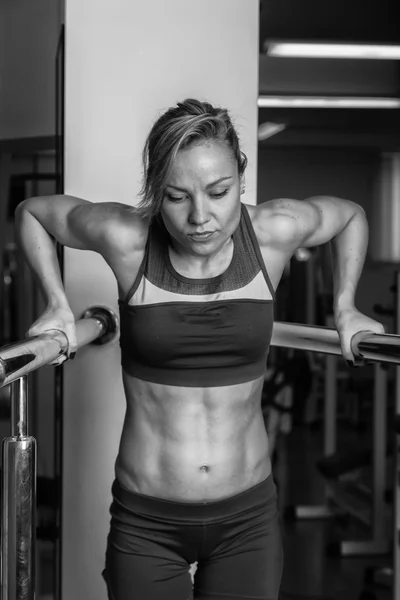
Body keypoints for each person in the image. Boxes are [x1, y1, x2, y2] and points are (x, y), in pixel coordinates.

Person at [15, 98, 384, 600]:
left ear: (241, 180)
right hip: (148, 523)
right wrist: (57, 304)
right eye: (176, 196)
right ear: (154, 194)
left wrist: (345, 308)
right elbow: (33, 212)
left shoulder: (272, 233)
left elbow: (351, 215)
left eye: (219, 192)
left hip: (247, 520)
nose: (200, 217)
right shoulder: (127, 238)